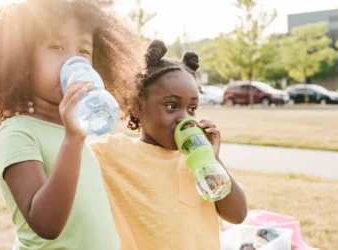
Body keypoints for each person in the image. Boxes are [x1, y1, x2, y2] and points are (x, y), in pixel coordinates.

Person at [0, 0, 143, 249]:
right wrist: (73, 141)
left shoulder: (70, 131)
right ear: (23, 60)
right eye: (56, 46)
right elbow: (46, 224)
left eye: (83, 51)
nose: (73, 61)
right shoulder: (18, 133)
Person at [90, 40, 248, 250]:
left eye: (192, 108)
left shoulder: (198, 161)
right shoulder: (112, 153)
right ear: (137, 106)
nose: (185, 118)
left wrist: (213, 160)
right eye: (172, 106)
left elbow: (237, 215)